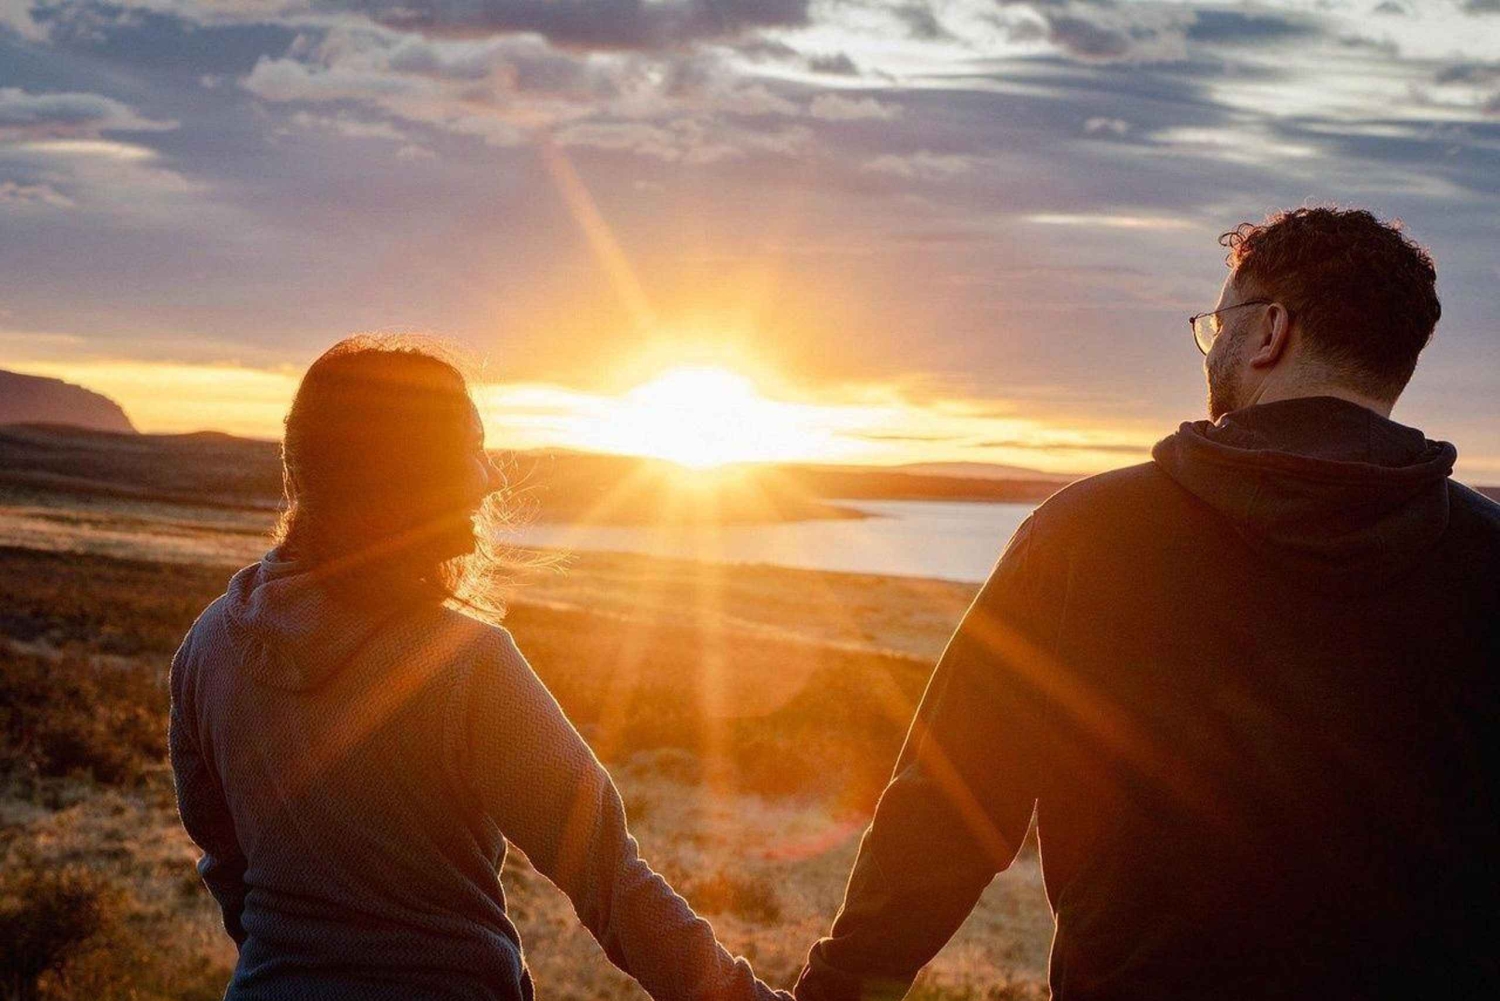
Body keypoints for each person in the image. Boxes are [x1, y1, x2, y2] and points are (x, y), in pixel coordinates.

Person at [794, 207, 1500, 1000]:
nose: (1213, 346)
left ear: (1270, 331)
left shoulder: (1087, 534)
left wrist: (845, 982)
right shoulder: (1488, 554)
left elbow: (954, 800)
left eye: (1218, 323)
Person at [169, 337, 790, 1001]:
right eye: (466, 449)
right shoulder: (462, 663)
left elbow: (226, 862)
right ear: (397, 474)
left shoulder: (209, 644)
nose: (490, 478)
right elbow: (608, 877)